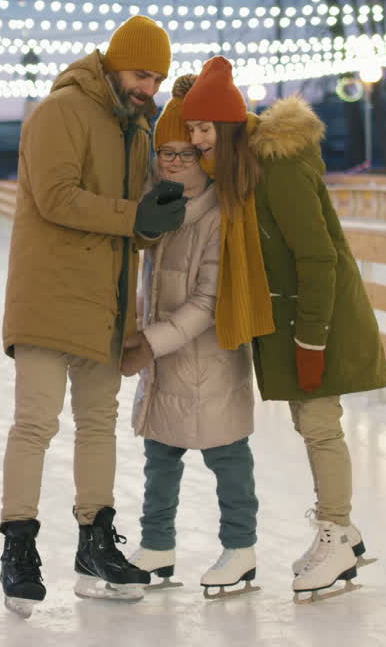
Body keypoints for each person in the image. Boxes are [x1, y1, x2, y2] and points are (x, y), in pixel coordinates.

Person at [0, 15, 188, 618]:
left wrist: (153, 222)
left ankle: (94, 543)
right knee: (36, 424)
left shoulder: (136, 129)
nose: (148, 88)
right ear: (111, 63)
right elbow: (54, 197)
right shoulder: (60, 112)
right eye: (140, 74)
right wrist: (135, 217)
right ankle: (19, 548)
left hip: (106, 301)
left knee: (99, 425)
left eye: (157, 79)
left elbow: (132, 224)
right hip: (50, 296)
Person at [181, 55, 386, 599]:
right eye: (192, 129)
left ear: (227, 126)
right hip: (293, 320)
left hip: (317, 319)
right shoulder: (242, 173)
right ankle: (341, 529)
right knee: (310, 424)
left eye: (204, 128)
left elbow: (318, 258)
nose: (197, 139)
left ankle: (336, 530)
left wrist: (310, 340)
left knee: (321, 425)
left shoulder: (279, 169)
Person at [119, 75, 261, 601]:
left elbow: (207, 299)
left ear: (206, 157)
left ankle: (241, 548)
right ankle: (157, 545)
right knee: (159, 455)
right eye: (163, 152)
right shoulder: (159, 210)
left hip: (210, 359)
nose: (173, 161)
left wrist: (149, 342)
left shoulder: (221, 215)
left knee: (227, 454)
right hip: (164, 360)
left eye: (184, 152)